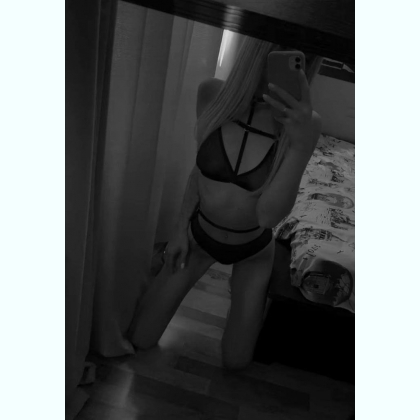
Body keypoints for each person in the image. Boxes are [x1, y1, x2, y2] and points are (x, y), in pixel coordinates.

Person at [129, 36, 323, 370]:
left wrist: (300, 146)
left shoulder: (305, 124)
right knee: (139, 339)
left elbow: (268, 217)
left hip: (253, 249)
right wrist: (178, 231)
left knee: (236, 362)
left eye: (303, 57)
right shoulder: (212, 94)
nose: (292, 61)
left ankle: (242, 296)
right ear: (258, 49)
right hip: (199, 236)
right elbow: (199, 173)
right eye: (281, 51)